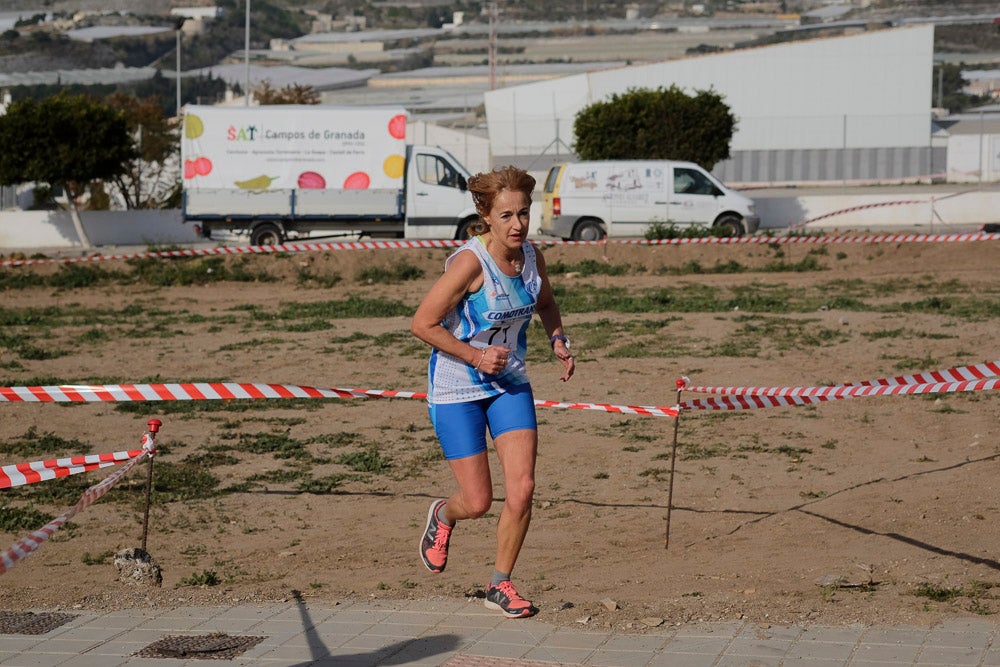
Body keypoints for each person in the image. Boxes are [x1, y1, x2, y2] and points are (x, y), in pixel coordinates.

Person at [410, 165, 575, 619]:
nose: (518, 224)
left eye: (524, 213)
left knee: (522, 489)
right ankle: (444, 515)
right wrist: (475, 356)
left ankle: (500, 583)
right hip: (457, 388)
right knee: (478, 502)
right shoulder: (469, 263)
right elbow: (421, 324)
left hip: (510, 385)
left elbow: (545, 302)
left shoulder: (532, 257)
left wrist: (557, 339)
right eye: (506, 216)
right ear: (486, 215)